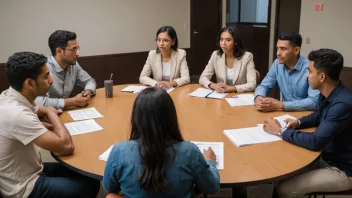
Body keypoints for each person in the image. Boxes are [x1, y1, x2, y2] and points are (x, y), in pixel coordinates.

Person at [0, 52, 100, 198]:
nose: (51, 80)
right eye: (46, 76)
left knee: (88, 174)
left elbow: (37, 109)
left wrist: (41, 118)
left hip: (29, 169)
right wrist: (51, 112)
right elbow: (66, 146)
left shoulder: (10, 96)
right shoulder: (17, 114)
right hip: (24, 187)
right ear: (29, 83)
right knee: (88, 186)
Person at [263, 49, 352, 197]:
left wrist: (281, 131)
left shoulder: (342, 104)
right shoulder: (331, 92)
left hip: (343, 170)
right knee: (281, 173)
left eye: (309, 71)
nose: (306, 75)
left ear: (322, 77)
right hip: (328, 157)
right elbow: (318, 115)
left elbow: (315, 142)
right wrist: (297, 122)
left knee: (285, 187)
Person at [103, 87, 220, 198]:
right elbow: (211, 187)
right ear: (171, 117)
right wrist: (210, 162)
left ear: (136, 118)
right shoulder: (190, 152)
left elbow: (108, 186)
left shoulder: (120, 150)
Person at [254, 32, 319, 112]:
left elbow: (314, 101)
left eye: (283, 49)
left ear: (296, 50)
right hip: (284, 113)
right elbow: (264, 86)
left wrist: (282, 105)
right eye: (277, 48)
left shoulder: (310, 67)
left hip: (305, 115)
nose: (278, 53)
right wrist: (258, 97)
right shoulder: (277, 64)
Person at [35, 30, 97, 109]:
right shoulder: (44, 69)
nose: (78, 53)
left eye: (77, 48)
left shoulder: (73, 64)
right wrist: (73, 101)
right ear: (59, 51)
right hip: (48, 117)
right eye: (74, 49)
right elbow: (37, 101)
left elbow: (89, 81)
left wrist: (87, 92)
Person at [199, 26, 256, 93]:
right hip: (221, 95)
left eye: (228, 40)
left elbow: (252, 84)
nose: (223, 43)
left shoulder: (247, 57)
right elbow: (203, 78)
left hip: (240, 96)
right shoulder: (216, 55)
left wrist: (232, 88)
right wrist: (213, 85)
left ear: (235, 42)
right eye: (221, 39)